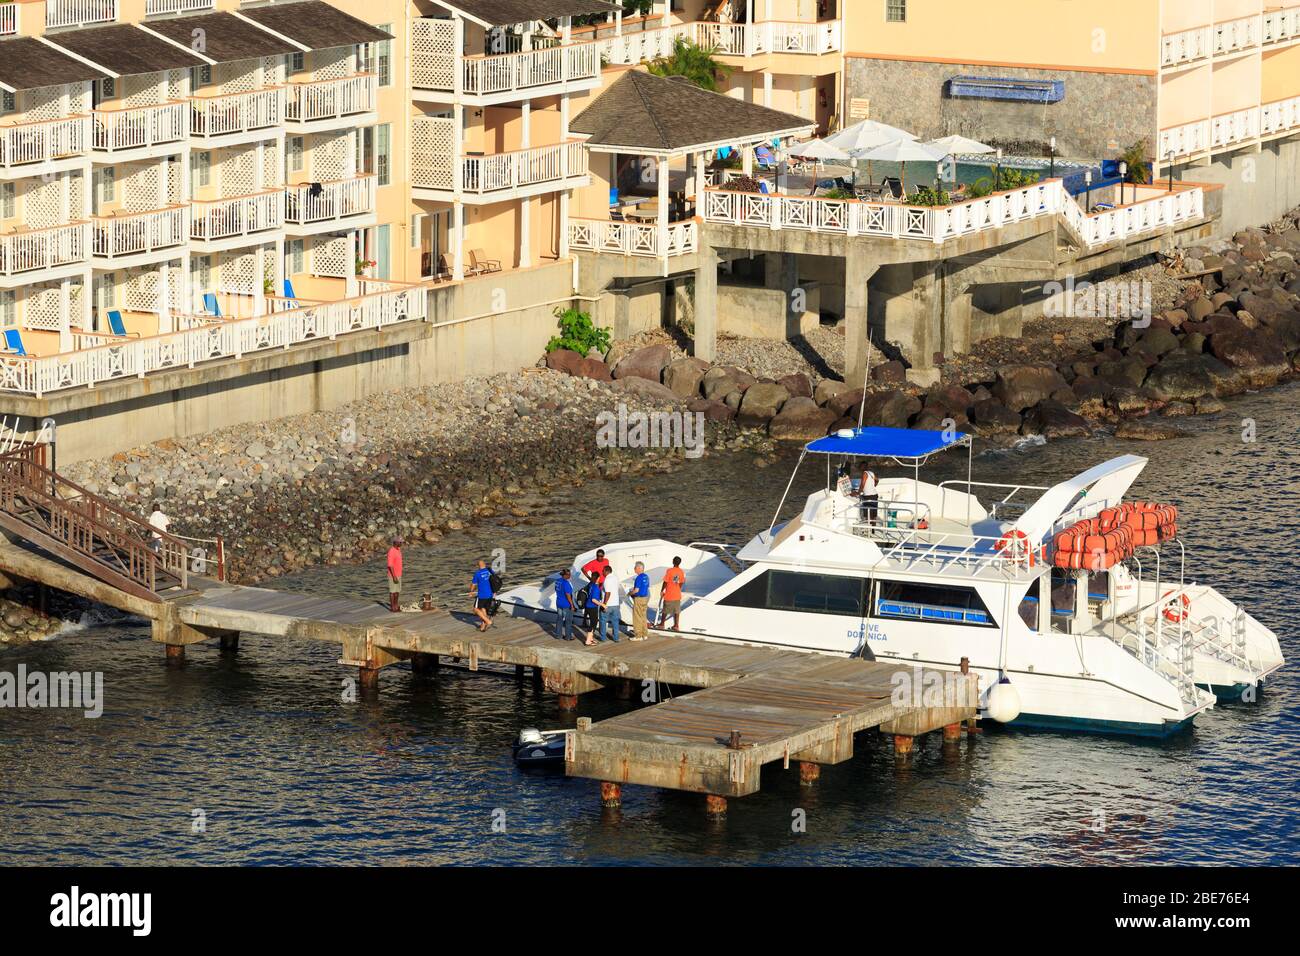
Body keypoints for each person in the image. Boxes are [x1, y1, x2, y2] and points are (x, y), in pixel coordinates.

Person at [661, 556, 686, 631]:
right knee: (676, 611)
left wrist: (662, 590)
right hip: (677, 594)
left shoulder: (669, 571)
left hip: (669, 594)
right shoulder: (681, 572)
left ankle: (662, 624)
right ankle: (676, 625)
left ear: (673, 562)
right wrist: (677, 588)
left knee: (665, 610)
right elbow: (681, 582)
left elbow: (665, 581)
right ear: (679, 563)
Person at [470, 558, 495, 632]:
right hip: (490, 594)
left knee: (475, 609)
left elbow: (473, 584)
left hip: (482, 595)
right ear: (484, 564)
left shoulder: (477, 573)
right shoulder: (490, 571)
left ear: (478, 566)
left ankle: (488, 621)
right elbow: (494, 580)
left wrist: (471, 591)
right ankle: (483, 626)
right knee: (483, 609)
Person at [629, 561, 651, 642]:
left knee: (637, 617)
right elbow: (646, 587)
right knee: (643, 616)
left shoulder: (639, 578)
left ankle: (638, 635)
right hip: (645, 598)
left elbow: (636, 590)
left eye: (635, 568)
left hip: (639, 599)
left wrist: (629, 593)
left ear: (639, 568)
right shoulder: (646, 576)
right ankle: (644, 634)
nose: (634, 569)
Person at [598, 570, 622, 643]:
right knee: (615, 621)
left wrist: (604, 604)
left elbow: (608, 593)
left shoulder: (607, 580)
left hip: (608, 604)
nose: (602, 573)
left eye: (603, 571)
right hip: (616, 603)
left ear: (606, 571)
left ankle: (603, 638)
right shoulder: (616, 578)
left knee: (603, 620)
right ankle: (616, 638)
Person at [582, 570, 603, 646]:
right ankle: (588, 641)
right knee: (593, 623)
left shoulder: (591, 585)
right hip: (592, 606)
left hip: (588, 606)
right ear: (598, 578)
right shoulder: (596, 588)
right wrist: (603, 605)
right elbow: (594, 599)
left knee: (593, 622)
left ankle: (591, 638)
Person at [554, 568, 575, 641]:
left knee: (559, 619)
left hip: (559, 602)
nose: (570, 575)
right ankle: (568, 637)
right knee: (568, 621)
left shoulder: (557, 581)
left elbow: (556, 590)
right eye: (569, 574)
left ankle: (558, 635)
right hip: (566, 604)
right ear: (565, 575)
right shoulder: (566, 583)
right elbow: (568, 595)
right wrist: (572, 605)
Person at [386, 537, 403, 612]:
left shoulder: (398, 550)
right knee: (392, 591)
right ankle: (393, 607)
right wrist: (394, 576)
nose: (401, 543)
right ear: (395, 542)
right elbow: (390, 565)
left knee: (397, 591)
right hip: (393, 575)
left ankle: (396, 605)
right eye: (400, 542)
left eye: (401, 542)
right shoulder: (391, 551)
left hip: (399, 574)